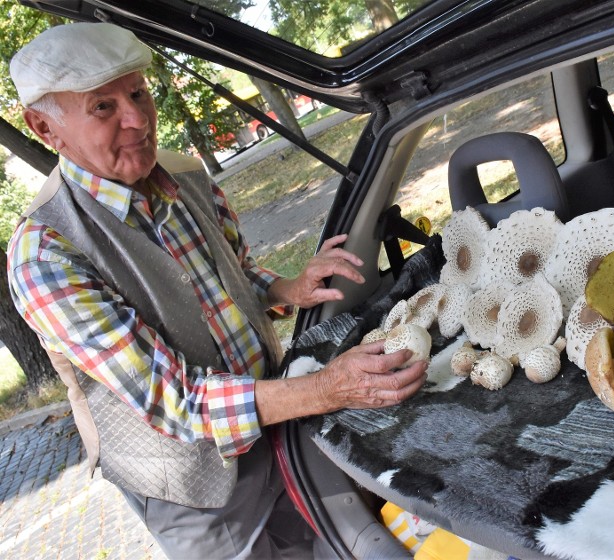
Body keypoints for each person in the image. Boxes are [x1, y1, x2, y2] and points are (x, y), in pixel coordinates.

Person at [6, 22, 428, 559]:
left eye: (137, 92)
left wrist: (288, 287)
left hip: (283, 427)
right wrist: (327, 390)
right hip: (198, 493)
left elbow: (233, 274)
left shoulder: (186, 174)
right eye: (103, 108)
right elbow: (173, 400)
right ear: (45, 128)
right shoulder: (46, 252)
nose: (136, 119)